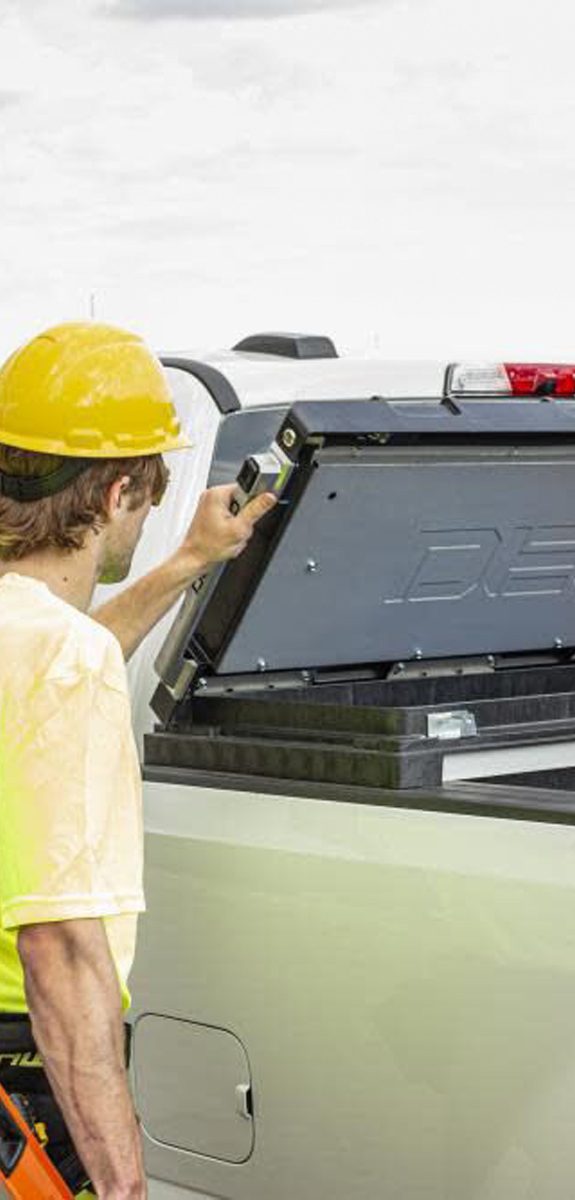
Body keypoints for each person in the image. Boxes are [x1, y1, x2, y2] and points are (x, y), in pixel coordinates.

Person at [0, 322, 276, 1199]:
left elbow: (59, 663)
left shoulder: (31, 643)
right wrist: (121, 1186)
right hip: (22, 1089)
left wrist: (192, 561)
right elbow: (62, 951)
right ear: (120, 490)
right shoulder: (59, 662)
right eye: (150, 498)